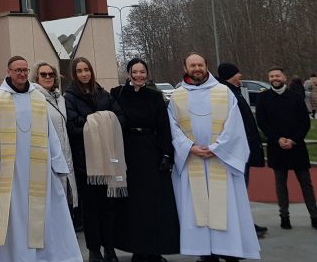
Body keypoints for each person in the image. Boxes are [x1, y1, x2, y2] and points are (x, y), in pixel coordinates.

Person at [168, 52, 260, 261]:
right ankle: (205, 253)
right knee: (197, 209)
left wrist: (218, 147)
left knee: (226, 208)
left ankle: (229, 250)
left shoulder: (224, 92)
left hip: (221, 159)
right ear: (185, 68)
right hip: (193, 161)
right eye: (192, 65)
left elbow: (234, 125)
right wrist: (189, 147)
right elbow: (172, 127)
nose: (197, 68)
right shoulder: (177, 96)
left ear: (206, 66)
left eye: (200, 64)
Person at [0, 56, 81, 262]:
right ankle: (16, 256)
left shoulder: (37, 97)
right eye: (17, 70)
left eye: (24, 70)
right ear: (9, 72)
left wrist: (58, 162)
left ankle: (47, 256)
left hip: (39, 167)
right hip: (12, 171)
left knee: (45, 213)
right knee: (16, 216)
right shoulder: (0, 98)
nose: (21, 74)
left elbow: (51, 133)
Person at [110, 58, 180, 262]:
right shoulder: (118, 93)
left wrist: (167, 154)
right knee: (133, 205)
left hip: (152, 152)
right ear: (128, 73)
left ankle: (154, 250)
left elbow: (164, 126)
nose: (139, 75)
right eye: (135, 71)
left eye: (142, 72)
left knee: (155, 205)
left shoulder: (155, 96)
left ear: (146, 74)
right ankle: (137, 250)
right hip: (129, 152)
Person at [64, 57, 122, 262]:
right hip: (86, 163)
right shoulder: (69, 97)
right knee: (90, 210)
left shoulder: (103, 94)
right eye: (79, 71)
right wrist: (100, 120)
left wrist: (95, 120)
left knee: (108, 208)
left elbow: (119, 118)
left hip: (108, 161)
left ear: (91, 71)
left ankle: (110, 248)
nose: (83, 74)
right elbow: (72, 126)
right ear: (74, 74)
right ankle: (94, 250)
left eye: (86, 70)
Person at [255, 67, 317, 231]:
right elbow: (262, 123)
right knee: (280, 184)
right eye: (271, 76)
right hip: (276, 147)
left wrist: (293, 139)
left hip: (297, 146)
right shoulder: (263, 98)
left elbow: (304, 122)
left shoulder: (295, 97)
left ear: (284, 77)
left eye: (277, 75)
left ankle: (315, 217)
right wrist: (277, 139)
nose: (275, 78)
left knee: (306, 183)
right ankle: (284, 217)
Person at [216, 63, 267, 239]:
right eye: (237, 73)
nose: (240, 76)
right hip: (236, 151)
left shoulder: (234, 92)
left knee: (242, 190)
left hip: (244, 148)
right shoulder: (226, 93)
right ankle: (241, 224)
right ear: (230, 75)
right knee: (238, 190)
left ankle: (243, 222)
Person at [32, 62, 78, 216]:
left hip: (65, 153)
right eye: (43, 74)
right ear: (36, 77)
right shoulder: (34, 98)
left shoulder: (60, 98)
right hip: (47, 156)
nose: (47, 77)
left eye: (51, 74)